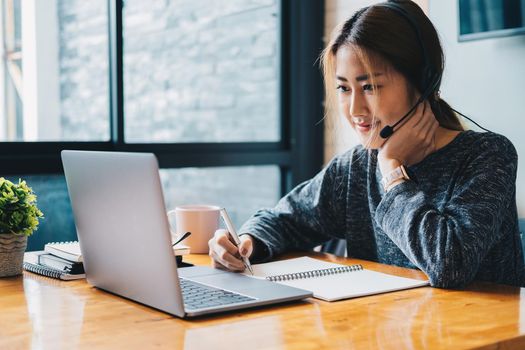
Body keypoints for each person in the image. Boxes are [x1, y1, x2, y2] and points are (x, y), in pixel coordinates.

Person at [208, 0, 524, 288]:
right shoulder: (355, 168)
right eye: (344, 89)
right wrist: (245, 241)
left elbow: (449, 266)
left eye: (370, 86)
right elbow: (283, 219)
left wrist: (392, 172)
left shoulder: (488, 156)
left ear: (423, 80)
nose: (356, 109)